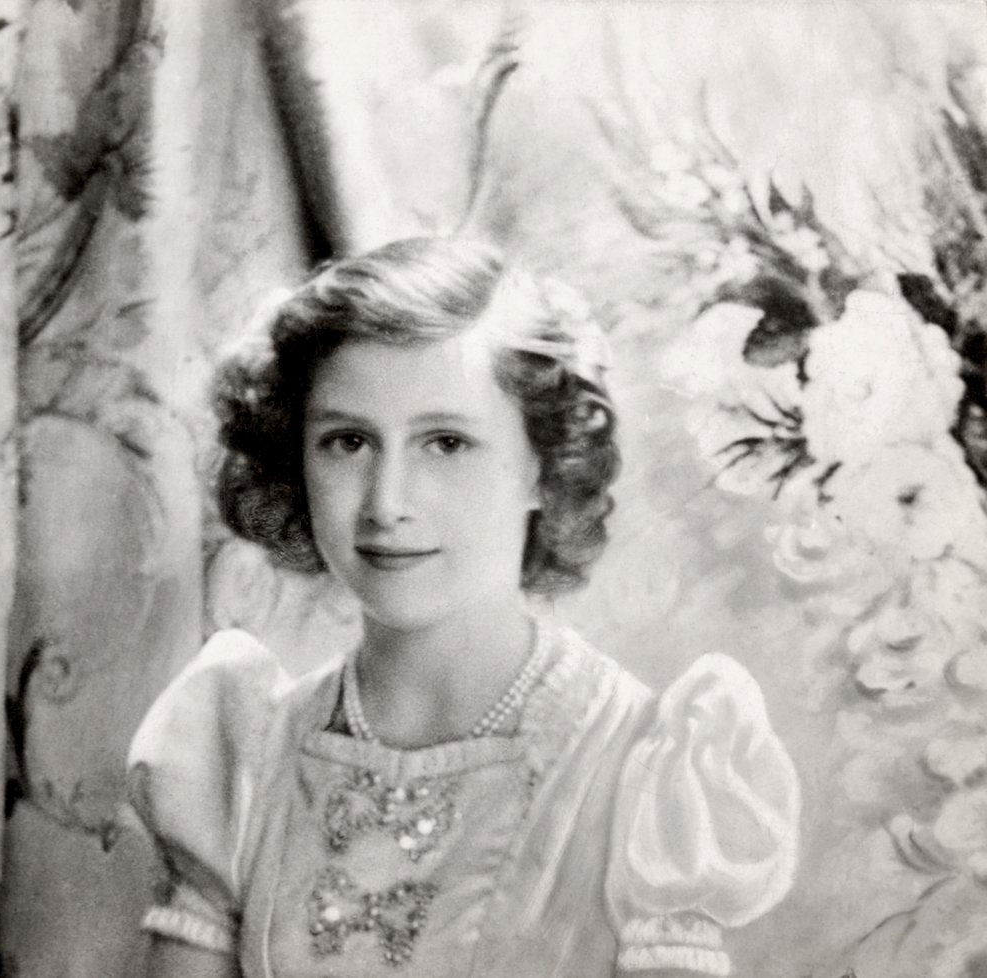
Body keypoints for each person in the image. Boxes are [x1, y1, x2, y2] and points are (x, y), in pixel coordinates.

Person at [127, 236, 800, 978]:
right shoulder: (242, 762)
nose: (388, 503)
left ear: (545, 467)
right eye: (347, 442)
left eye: (445, 443)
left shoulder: (648, 778)